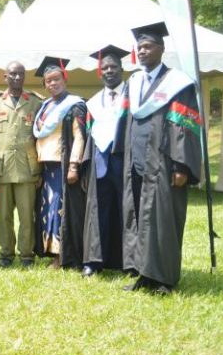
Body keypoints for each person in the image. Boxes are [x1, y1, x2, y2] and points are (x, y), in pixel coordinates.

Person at [122, 22, 201, 295]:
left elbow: (184, 126)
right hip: (137, 161)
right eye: (139, 47)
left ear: (161, 48)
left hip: (164, 162)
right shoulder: (134, 82)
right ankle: (143, 272)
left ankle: (163, 278)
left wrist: (181, 165)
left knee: (163, 218)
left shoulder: (177, 83)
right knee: (139, 216)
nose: (142, 51)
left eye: (148, 46)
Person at [0, 61, 44, 267]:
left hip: (28, 167)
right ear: (5, 77)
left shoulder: (35, 102)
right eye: (12, 74)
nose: (17, 78)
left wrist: (41, 168)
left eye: (20, 74)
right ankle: (6, 254)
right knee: (4, 215)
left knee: (27, 215)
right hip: (2, 165)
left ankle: (27, 255)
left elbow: (40, 138)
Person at [32, 57, 87, 269]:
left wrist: (74, 165)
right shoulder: (46, 105)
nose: (53, 83)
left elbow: (79, 135)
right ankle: (51, 251)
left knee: (61, 210)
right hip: (46, 166)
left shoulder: (74, 105)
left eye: (56, 79)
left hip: (63, 165)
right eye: (48, 81)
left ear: (65, 78)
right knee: (48, 210)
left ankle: (63, 255)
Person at [81, 45, 129, 277]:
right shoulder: (93, 102)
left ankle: (130, 262)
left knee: (128, 212)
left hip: (125, 163)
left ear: (122, 69)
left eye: (113, 67)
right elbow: (88, 136)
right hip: (100, 163)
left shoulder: (134, 96)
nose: (109, 71)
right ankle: (95, 261)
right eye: (105, 67)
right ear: (100, 72)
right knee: (98, 212)